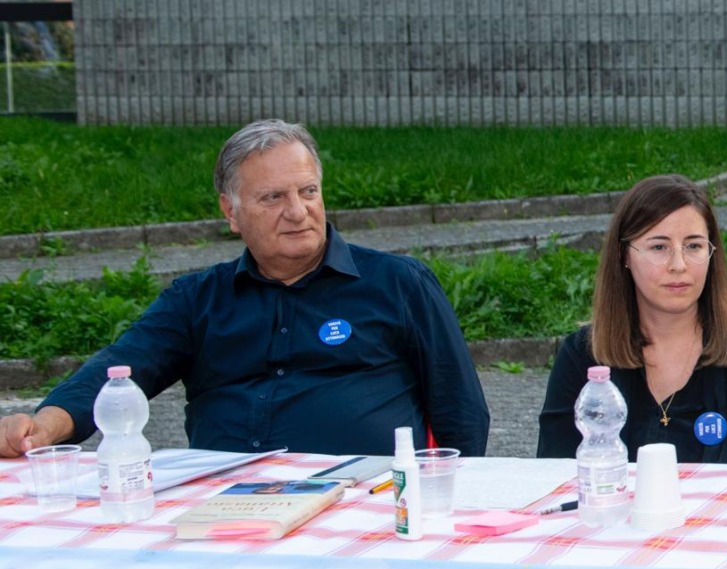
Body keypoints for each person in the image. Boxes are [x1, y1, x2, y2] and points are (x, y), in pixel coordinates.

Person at [0, 119, 489, 459]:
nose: (297, 211)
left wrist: (448, 502)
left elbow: (462, 414)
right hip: (223, 509)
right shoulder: (197, 300)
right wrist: (43, 427)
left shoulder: (399, 284)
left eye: (308, 191)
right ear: (230, 212)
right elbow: (118, 369)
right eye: (273, 197)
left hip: (362, 504)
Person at [536, 174, 727, 463]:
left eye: (693, 246)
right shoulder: (581, 355)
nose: (678, 265)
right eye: (659, 247)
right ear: (624, 255)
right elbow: (556, 472)